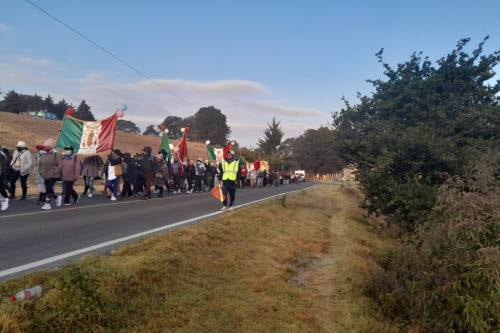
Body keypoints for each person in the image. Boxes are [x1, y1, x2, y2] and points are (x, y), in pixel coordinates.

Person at [38, 139, 62, 210]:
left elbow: (60, 165)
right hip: (45, 175)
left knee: (48, 188)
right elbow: (40, 164)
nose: (44, 148)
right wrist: (40, 171)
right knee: (49, 189)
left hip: (53, 175)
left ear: (51, 147)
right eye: (44, 146)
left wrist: (54, 172)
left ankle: (47, 204)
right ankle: (57, 197)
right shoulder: (43, 154)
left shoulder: (56, 154)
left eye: (46, 146)